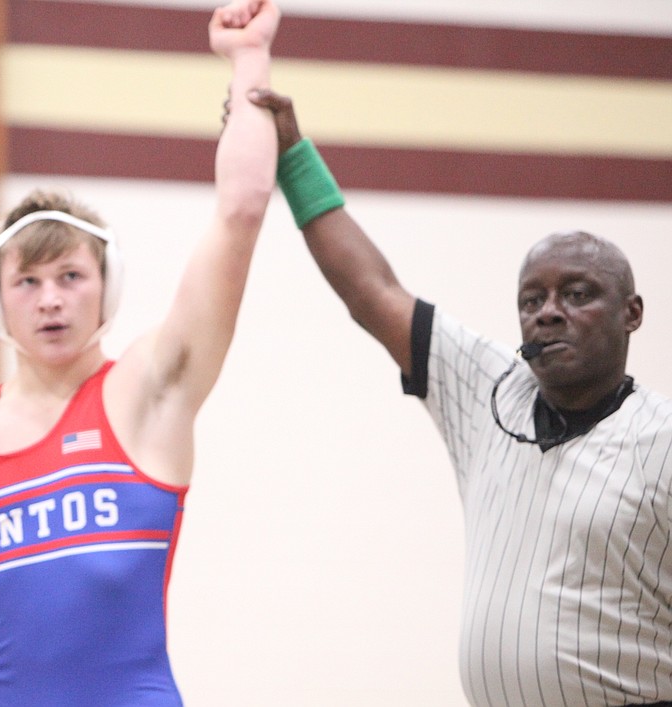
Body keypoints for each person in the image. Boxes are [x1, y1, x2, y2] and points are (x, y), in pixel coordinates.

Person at [0, 0, 280, 703]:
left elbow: (240, 210)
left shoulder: (151, 391)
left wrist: (249, 56)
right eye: (26, 282)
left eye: (69, 276)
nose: (50, 299)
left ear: (105, 285)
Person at [249, 89, 672, 707]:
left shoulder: (661, 440)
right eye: (532, 301)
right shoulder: (490, 390)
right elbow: (371, 291)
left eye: (577, 294)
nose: (549, 313)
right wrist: (290, 154)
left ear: (631, 314)